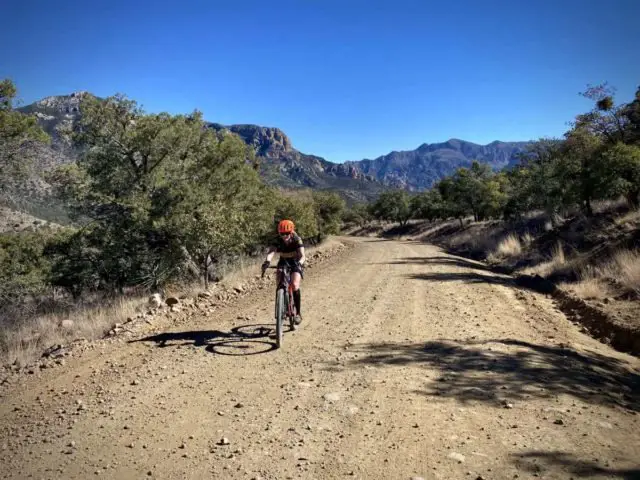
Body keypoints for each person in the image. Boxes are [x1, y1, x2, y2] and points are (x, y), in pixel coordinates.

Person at [261, 219, 306, 324]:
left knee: (294, 285)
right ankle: (282, 304)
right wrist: (267, 261)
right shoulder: (277, 240)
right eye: (282, 234)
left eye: (287, 234)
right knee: (280, 283)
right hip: (283, 261)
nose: (285, 236)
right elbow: (271, 251)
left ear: (291, 232)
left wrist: (300, 263)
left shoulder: (297, 239)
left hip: (295, 262)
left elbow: (302, 255)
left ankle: (298, 313)